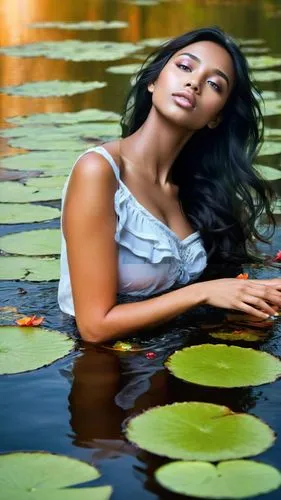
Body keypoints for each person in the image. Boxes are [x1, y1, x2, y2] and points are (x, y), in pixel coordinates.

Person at [58, 26, 281, 343]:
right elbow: (94, 326)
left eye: (214, 84)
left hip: (165, 357)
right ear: (153, 81)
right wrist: (203, 293)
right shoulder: (99, 172)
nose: (194, 83)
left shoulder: (195, 191)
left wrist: (255, 293)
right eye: (185, 67)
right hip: (104, 370)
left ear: (216, 117)